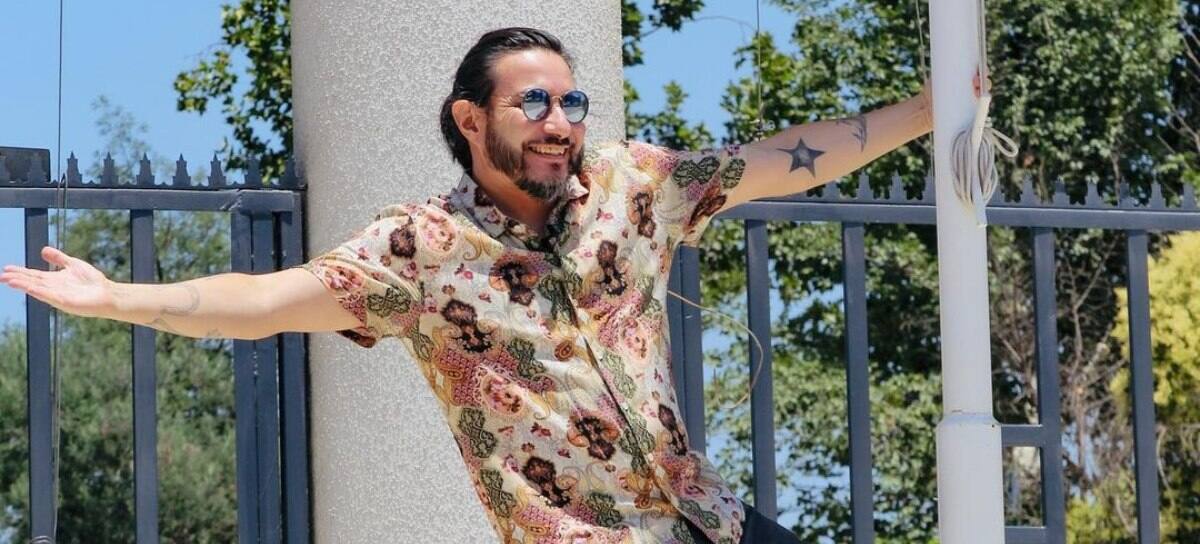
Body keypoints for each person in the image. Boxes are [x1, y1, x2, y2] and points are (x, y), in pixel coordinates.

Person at [1, 27, 973, 544]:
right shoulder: (421, 250)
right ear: (472, 119)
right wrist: (118, 299)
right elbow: (266, 302)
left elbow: (787, 159)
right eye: (533, 101)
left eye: (572, 101)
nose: (560, 122)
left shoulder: (634, 186)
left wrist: (928, 111)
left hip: (708, 521)